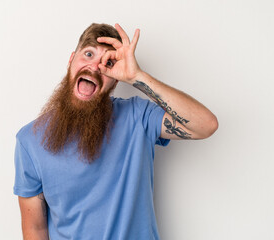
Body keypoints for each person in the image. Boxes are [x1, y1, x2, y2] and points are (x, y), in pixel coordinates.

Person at [14, 23, 218, 240]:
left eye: (108, 62)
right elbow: (35, 228)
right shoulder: (29, 140)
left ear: (115, 79)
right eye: (88, 54)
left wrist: (136, 77)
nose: (94, 67)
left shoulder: (138, 117)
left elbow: (206, 125)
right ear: (71, 60)